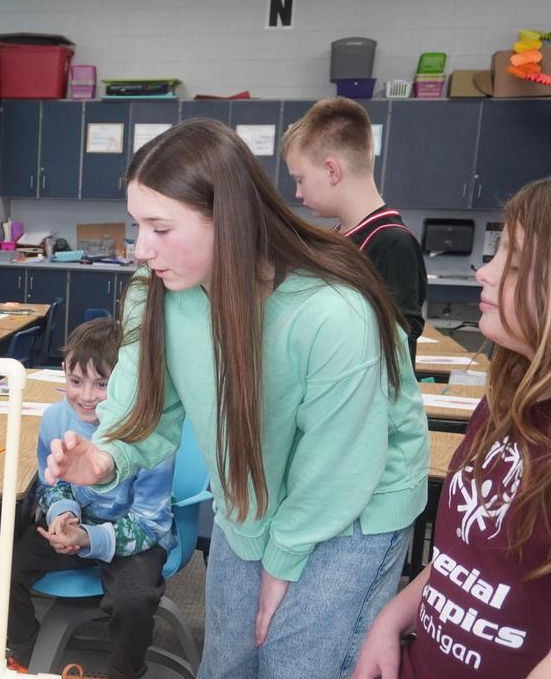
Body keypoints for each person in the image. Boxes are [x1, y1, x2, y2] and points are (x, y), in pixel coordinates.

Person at [43, 118, 429, 679]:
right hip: (252, 489)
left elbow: (340, 466)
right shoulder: (159, 293)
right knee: (230, 663)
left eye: (159, 227)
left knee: (293, 663)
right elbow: (144, 406)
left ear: (227, 218)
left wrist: (281, 565)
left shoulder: (332, 312)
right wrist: (105, 457)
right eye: (137, 225)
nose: (140, 248)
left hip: (353, 504)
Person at [353, 171, 551, 679]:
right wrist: (392, 618)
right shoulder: (509, 401)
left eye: (514, 264)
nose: (483, 273)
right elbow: (469, 558)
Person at [5, 317, 176, 678]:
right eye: (75, 381)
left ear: (129, 383)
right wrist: (62, 516)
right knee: (6, 567)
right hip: (75, 527)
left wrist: (88, 539)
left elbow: (149, 522)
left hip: (133, 537)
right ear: (63, 371)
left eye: (102, 384)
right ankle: (26, 654)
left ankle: (123, 671)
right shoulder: (54, 418)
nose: (86, 396)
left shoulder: (150, 433)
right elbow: (52, 482)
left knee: (133, 600)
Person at [282, 97, 427, 358]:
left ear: (331, 171)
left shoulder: (392, 244)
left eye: (300, 180)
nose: (297, 192)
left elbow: (399, 343)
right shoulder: (339, 237)